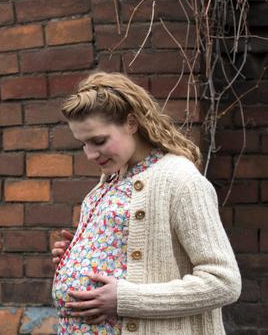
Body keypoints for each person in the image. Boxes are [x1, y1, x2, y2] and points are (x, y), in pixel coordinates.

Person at [50, 71, 241, 334]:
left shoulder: (180, 180)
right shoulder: (108, 182)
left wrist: (127, 299)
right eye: (83, 144)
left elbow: (224, 282)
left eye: (99, 141)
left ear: (131, 123)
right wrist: (81, 254)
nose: (90, 155)